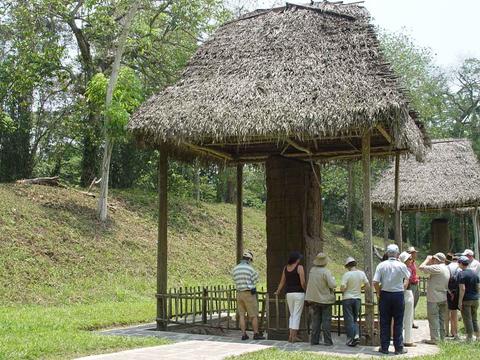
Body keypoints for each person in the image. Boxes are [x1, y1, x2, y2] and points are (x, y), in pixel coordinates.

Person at [373, 244, 410, 355]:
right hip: (398, 295)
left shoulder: (381, 265)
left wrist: (379, 293)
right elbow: (407, 278)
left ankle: (384, 347)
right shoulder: (402, 265)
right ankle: (398, 348)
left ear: (387, 253)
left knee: (384, 322)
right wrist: (402, 289)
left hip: (385, 294)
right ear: (397, 254)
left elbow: (375, 282)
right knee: (398, 322)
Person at [231, 250, 265, 340]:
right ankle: (256, 334)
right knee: (253, 315)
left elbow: (234, 279)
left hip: (239, 293)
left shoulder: (235, 268)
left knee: (242, 315)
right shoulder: (250, 269)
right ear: (249, 259)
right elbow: (255, 280)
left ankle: (243, 334)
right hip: (249, 293)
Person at [305, 252, 336, 346]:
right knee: (326, 320)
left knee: (316, 320)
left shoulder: (312, 270)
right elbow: (332, 285)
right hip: (325, 300)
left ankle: (314, 340)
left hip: (314, 299)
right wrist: (334, 280)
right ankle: (327, 341)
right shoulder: (326, 271)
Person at [274, 251, 306, 342]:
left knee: (292, 315)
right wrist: (306, 290)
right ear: (297, 259)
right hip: (299, 293)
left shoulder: (286, 268)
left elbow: (282, 282)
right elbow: (302, 282)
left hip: (289, 294)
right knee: (297, 315)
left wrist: (278, 291)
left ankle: (290, 335)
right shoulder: (300, 267)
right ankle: (294, 336)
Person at [419, 252, 450, 345]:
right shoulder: (446, 268)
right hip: (443, 297)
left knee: (433, 318)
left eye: (434, 259)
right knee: (441, 319)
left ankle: (435, 339)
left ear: (437, 260)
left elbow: (421, 267)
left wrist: (427, 259)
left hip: (434, 298)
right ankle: (442, 337)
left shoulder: (437, 267)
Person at [340, 256, 369, 347]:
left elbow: (343, 287)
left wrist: (343, 290)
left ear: (348, 266)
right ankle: (356, 335)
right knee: (355, 319)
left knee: (349, 320)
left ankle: (352, 338)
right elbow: (367, 285)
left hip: (347, 298)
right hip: (357, 298)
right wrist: (360, 288)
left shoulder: (346, 275)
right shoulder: (361, 273)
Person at [457, 255, 480, 341]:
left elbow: (462, 288)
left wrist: (460, 302)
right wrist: (476, 295)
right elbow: (478, 287)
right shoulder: (474, 273)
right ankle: (478, 336)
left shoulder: (461, 274)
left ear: (461, 264)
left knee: (467, 319)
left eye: (458, 263)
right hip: (475, 299)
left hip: (466, 300)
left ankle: (469, 337)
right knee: (474, 319)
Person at [399, 251, 416, 347]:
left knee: (400, 318)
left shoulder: (397, 269)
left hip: (399, 294)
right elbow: (405, 284)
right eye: (409, 259)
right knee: (408, 317)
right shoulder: (407, 269)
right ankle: (408, 340)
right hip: (406, 293)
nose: (411, 260)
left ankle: (400, 338)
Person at [445, 253, 461, 339]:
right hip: (456, 292)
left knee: (446, 312)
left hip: (448, 292)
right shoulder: (459, 268)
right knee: (454, 313)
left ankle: (446, 331)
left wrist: (449, 291)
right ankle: (455, 332)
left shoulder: (447, 267)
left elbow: (445, 281)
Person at [407, 247, 420, 329]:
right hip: (411, 285)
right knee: (410, 304)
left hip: (415, 284)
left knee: (414, 304)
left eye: (415, 252)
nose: (415, 254)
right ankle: (408, 322)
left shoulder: (414, 262)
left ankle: (411, 321)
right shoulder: (408, 263)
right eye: (413, 252)